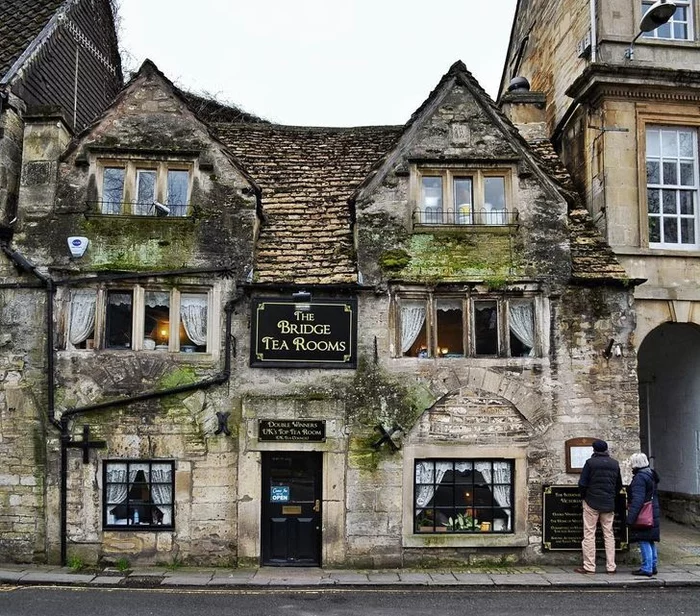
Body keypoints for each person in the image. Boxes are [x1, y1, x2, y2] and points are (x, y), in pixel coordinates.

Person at [575, 439, 622, 574]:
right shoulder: (615, 464)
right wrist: (611, 495)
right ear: (606, 449)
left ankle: (589, 566)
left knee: (589, 534)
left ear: (594, 450)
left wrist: (584, 496)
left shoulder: (590, 463)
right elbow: (618, 484)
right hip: (608, 502)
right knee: (609, 534)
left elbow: (583, 483)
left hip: (592, 501)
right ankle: (611, 566)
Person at [626, 452, 661, 577]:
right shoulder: (650, 474)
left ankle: (647, 568)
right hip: (652, 511)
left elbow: (638, 499)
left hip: (644, 514)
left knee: (644, 539)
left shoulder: (640, 478)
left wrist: (630, 518)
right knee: (650, 540)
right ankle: (652, 565)